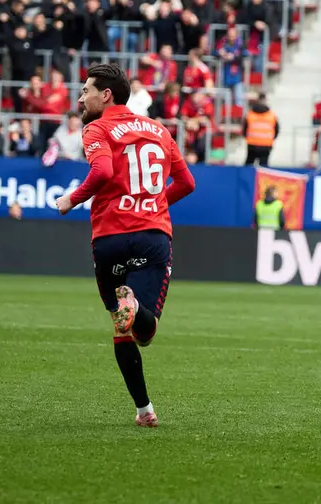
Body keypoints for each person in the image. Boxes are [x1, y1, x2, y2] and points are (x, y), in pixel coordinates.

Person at [55, 63, 196, 428]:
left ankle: (144, 410)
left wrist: (72, 199)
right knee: (143, 331)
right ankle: (133, 307)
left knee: (121, 324)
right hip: (151, 235)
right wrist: (156, 202)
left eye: (86, 90)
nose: (80, 97)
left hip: (110, 238)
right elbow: (186, 183)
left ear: (106, 95)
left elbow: (102, 172)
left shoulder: (97, 128)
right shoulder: (159, 130)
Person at [243, 91, 278, 166]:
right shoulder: (272, 115)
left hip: (252, 144)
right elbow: (276, 130)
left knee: (248, 165)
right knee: (264, 167)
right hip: (266, 145)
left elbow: (244, 130)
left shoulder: (250, 115)